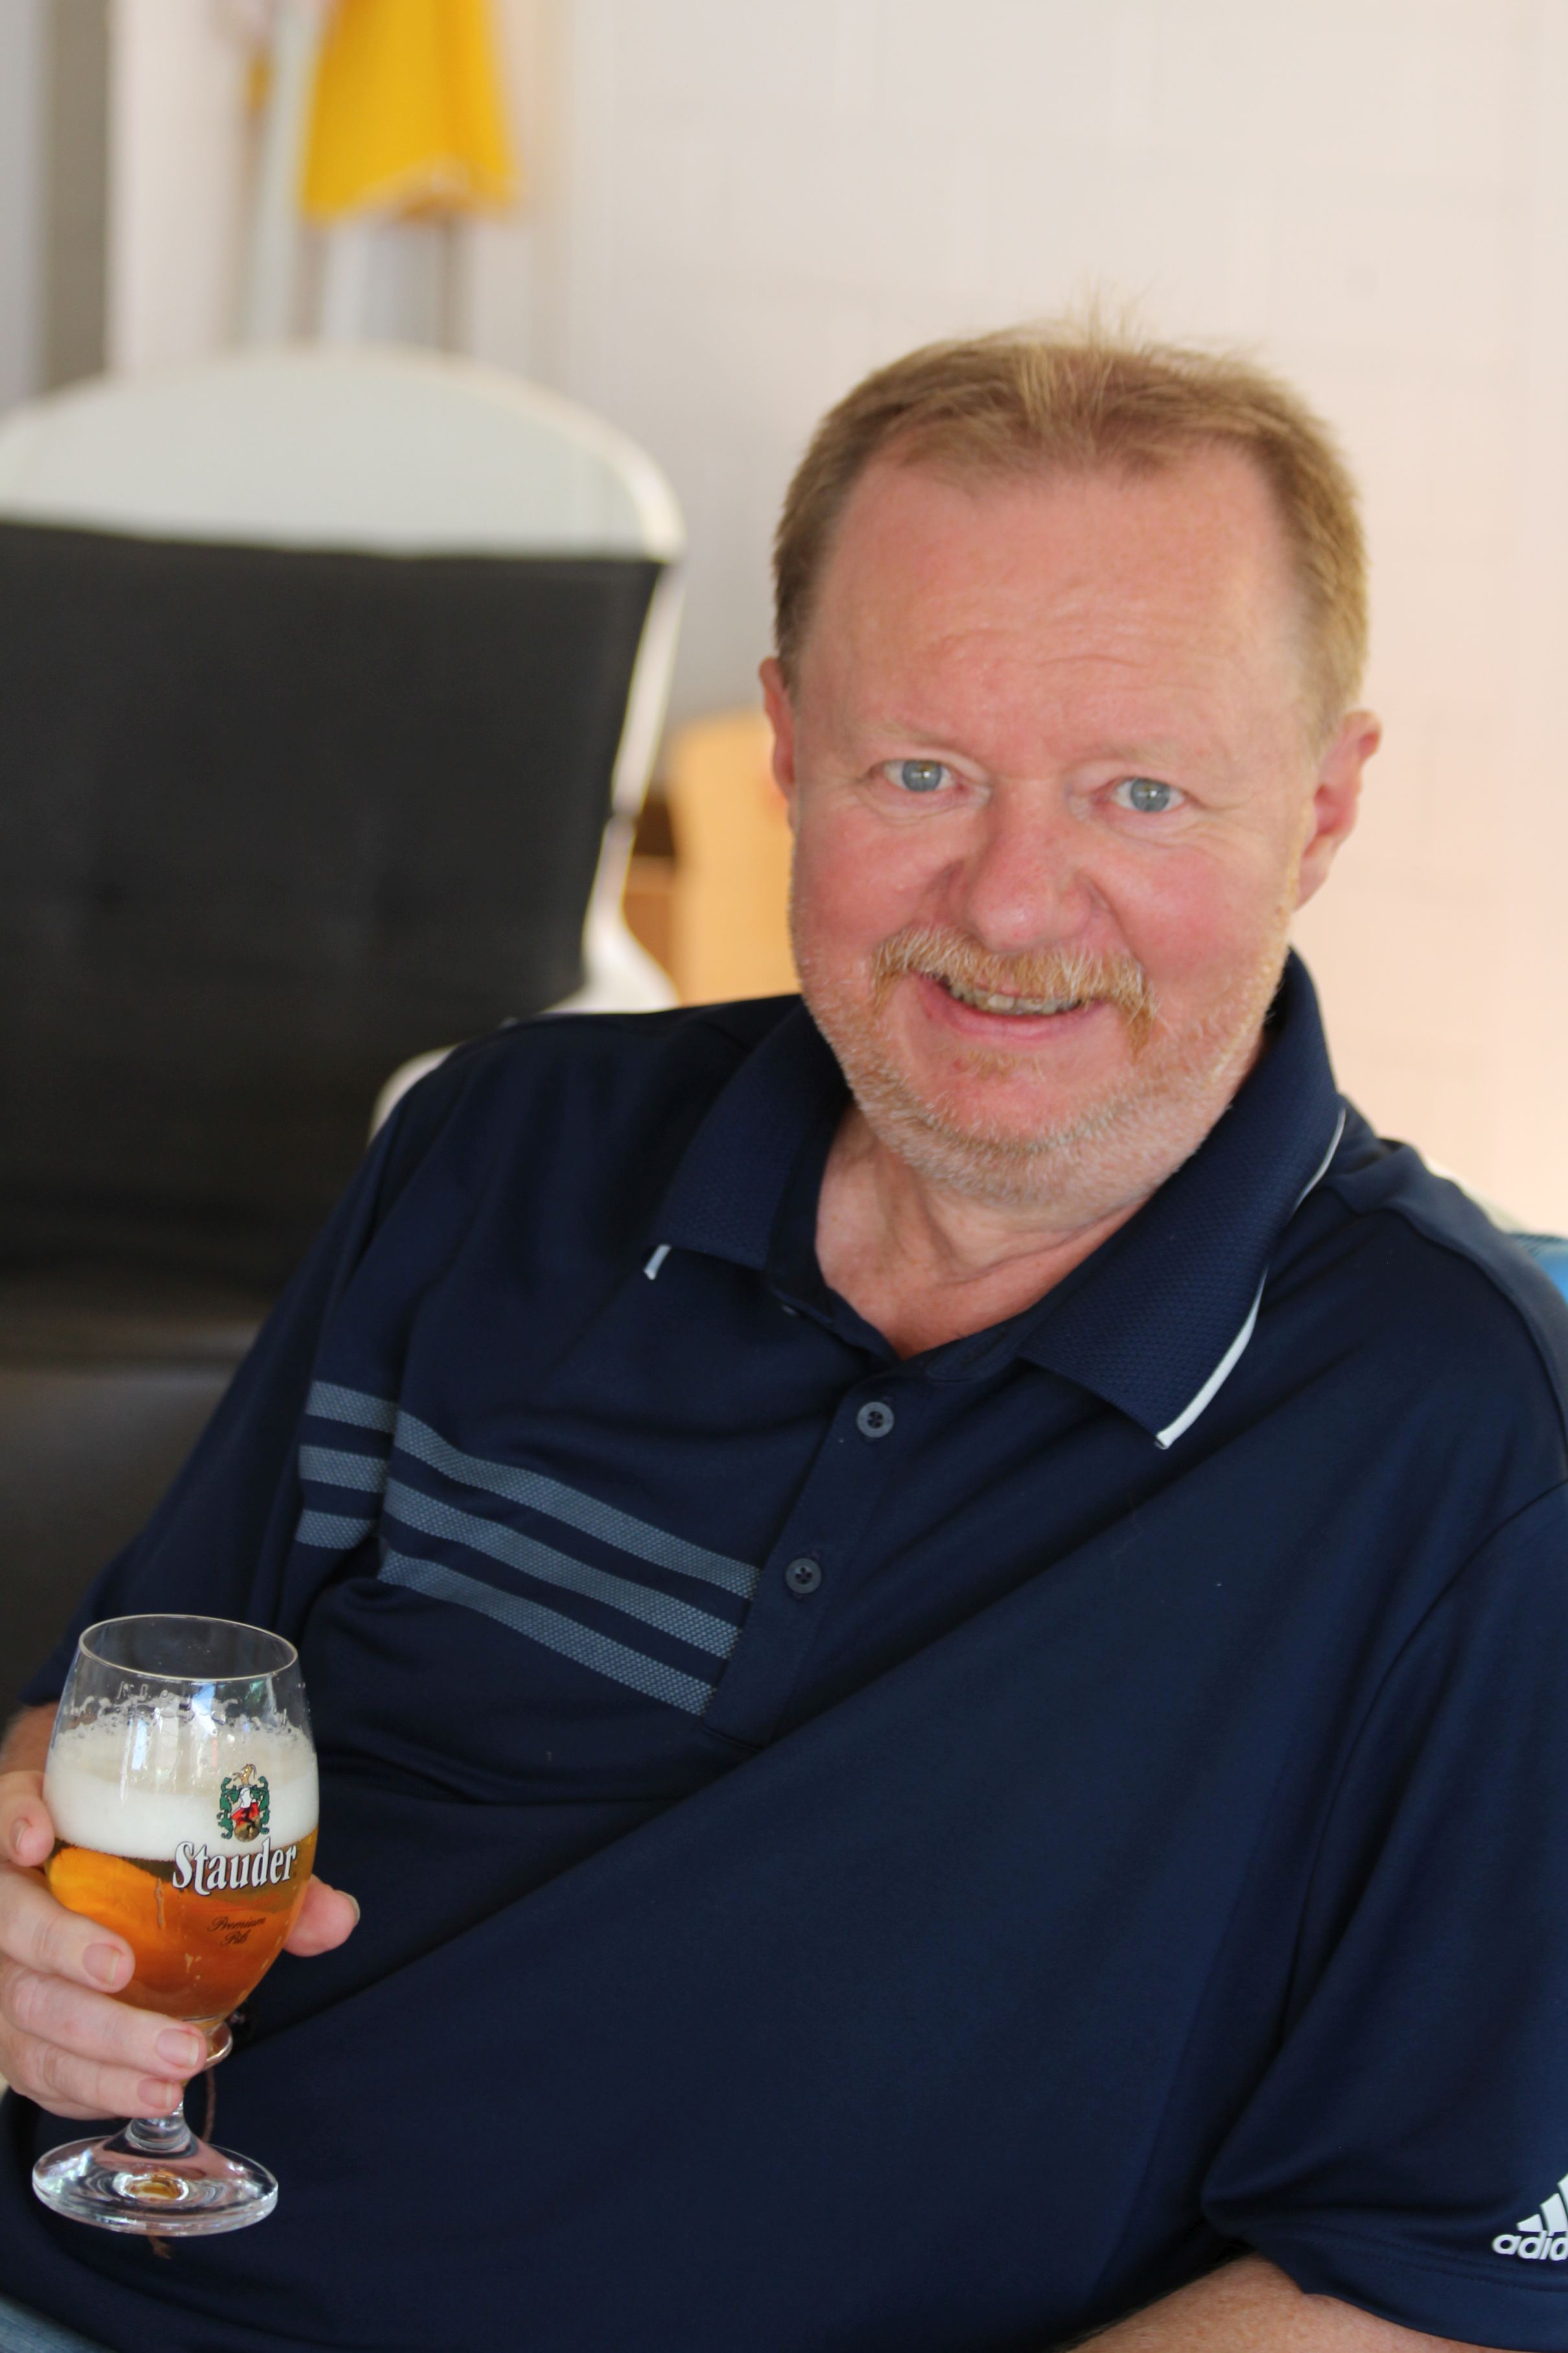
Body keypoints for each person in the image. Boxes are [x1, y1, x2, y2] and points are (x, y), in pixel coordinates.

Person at [1, 321, 1566, 2353]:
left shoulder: (1464, 1446)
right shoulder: (501, 1146)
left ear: (1322, 809)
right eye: (922, 772)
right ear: (786, 748)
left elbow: (1429, 2281)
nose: (1013, 905)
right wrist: (29, 1904)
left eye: (1140, 790)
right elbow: (127, 1729)